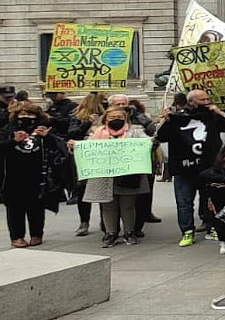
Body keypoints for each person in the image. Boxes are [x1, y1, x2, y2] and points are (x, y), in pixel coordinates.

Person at [155, 89, 225, 247]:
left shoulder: (212, 115)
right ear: (191, 101)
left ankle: (211, 226)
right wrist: (164, 120)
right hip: (183, 168)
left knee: (210, 199)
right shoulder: (176, 117)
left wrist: (220, 113)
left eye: (207, 99)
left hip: (209, 168)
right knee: (184, 202)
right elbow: (159, 137)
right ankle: (187, 231)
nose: (206, 102)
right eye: (202, 100)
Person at [0, 102, 71, 248]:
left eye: (30, 114)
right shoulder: (8, 130)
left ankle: (37, 234)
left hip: (39, 176)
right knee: (15, 209)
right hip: (13, 177)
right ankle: (17, 236)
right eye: (22, 114)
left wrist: (47, 137)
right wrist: (13, 141)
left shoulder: (44, 130)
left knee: (36, 208)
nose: (26, 117)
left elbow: (60, 149)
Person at [83, 108, 152, 247]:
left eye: (119, 116)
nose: (116, 119)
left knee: (128, 205)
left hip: (128, 173)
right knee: (107, 205)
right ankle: (110, 233)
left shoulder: (135, 131)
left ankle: (129, 232)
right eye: (112, 116)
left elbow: (147, 143)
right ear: (106, 119)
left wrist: (150, 142)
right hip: (104, 174)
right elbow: (87, 146)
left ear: (125, 118)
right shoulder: (96, 132)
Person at [107, 94, 160, 231]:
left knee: (131, 202)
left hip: (133, 168)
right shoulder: (99, 129)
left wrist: (154, 139)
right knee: (109, 204)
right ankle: (110, 230)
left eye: (123, 103)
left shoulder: (137, 125)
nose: (121, 107)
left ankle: (133, 229)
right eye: (117, 104)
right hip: (108, 171)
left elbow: (150, 135)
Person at [66, 92, 106, 236]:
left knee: (104, 188)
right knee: (82, 189)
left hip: (102, 156)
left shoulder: (107, 116)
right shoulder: (78, 117)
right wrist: (87, 123)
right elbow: (72, 133)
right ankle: (84, 221)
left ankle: (105, 221)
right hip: (84, 157)